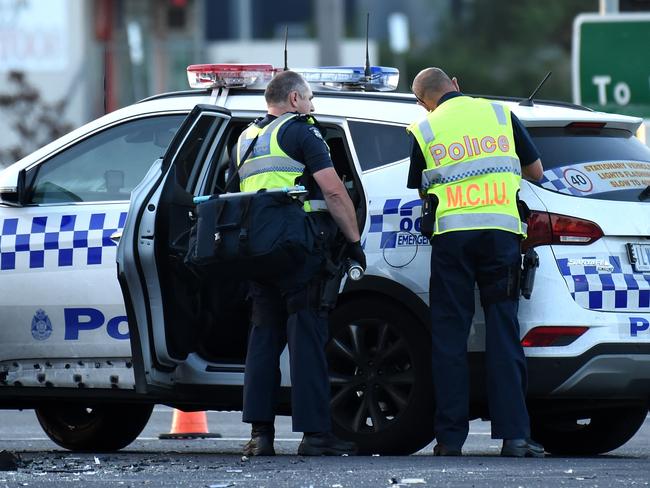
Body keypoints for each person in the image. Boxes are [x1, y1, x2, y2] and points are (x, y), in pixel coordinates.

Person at [406, 67, 545, 458]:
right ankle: (515, 437)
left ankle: (450, 439)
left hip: (452, 241)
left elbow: (421, 184)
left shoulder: (424, 129)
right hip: (501, 236)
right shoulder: (499, 114)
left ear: (422, 100)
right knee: (503, 330)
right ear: (456, 84)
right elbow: (536, 171)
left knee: (449, 337)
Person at [236, 70, 365, 456]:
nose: (312, 106)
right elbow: (333, 190)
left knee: (263, 339)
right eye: (309, 99)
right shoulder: (301, 131)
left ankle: (261, 436)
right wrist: (355, 241)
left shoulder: (246, 138)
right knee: (306, 337)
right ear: (294, 100)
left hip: (256, 251)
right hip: (297, 249)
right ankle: (315, 436)